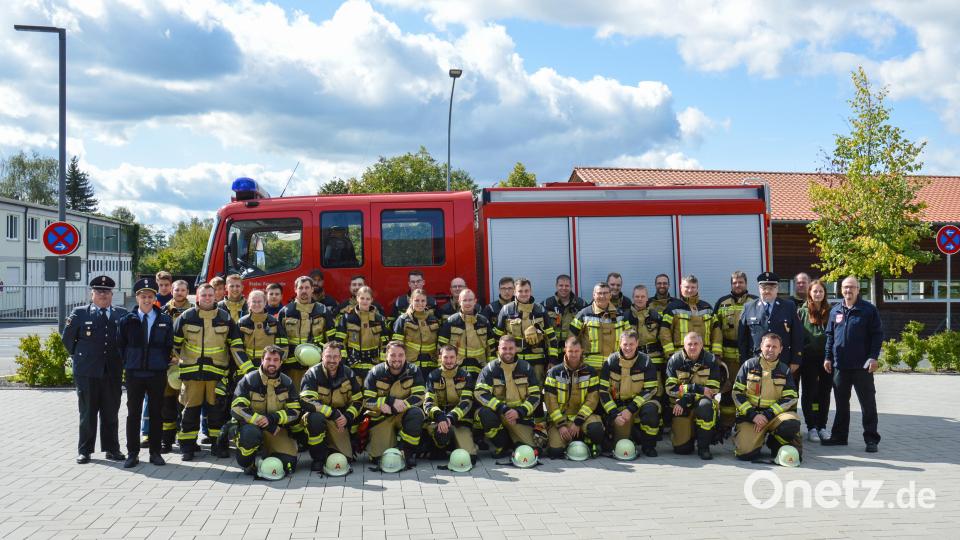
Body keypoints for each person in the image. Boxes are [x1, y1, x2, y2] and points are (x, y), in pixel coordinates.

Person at [172, 283, 248, 460]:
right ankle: (187, 447)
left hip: (217, 375)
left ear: (216, 297)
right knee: (189, 412)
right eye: (203, 295)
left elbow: (236, 347)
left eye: (210, 295)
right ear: (197, 297)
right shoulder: (186, 317)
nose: (207, 298)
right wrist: (181, 365)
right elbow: (174, 345)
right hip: (192, 376)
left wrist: (248, 370)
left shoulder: (225, 318)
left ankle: (218, 445)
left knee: (216, 413)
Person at [63, 275, 128, 464]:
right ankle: (85, 450)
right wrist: (83, 357)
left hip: (112, 371)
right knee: (87, 412)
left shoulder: (121, 314)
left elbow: (127, 341)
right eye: (99, 291)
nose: (103, 294)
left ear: (111, 294)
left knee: (110, 412)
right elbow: (68, 340)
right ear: (92, 293)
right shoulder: (80, 313)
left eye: (106, 291)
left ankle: (112, 449)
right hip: (87, 372)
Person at [822, 276, 883, 453]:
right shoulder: (835, 310)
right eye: (845, 287)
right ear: (841, 290)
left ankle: (871, 439)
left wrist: (873, 357)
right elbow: (830, 337)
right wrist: (827, 357)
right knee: (841, 403)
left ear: (858, 289)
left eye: (852, 287)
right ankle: (840, 436)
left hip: (862, 366)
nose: (848, 290)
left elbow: (877, 335)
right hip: (840, 366)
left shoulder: (868, 310)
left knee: (867, 404)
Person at [119, 278, 174, 467]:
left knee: (157, 413)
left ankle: (155, 452)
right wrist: (129, 363)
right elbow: (121, 346)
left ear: (155, 298)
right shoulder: (127, 320)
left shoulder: (165, 320)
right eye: (143, 296)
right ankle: (132, 453)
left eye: (150, 296)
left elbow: (169, 346)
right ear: (137, 298)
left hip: (156, 373)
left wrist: (161, 362)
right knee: (133, 414)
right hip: (134, 373)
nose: (147, 300)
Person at [231, 345, 302, 477]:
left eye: (275, 360)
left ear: (280, 362)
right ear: (262, 360)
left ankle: (268, 452)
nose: (271, 363)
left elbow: (295, 411)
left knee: (289, 463)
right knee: (250, 436)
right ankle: (248, 462)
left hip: (276, 429)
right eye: (268, 359)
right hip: (251, 427)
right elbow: (237, 408)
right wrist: (262, 421)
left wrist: (273, 418)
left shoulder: (287, 382)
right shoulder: (248, 380)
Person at [732, 333, 802, 461]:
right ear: (761, 347)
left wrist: (768, 414)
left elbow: (790, 397)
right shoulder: (749, 365)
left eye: (775, 347)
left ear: (780, 349)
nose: (771, 349)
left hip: (774, 416)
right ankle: (756, 440)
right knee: (745, 454)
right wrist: (753, 415)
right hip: (751, 417)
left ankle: (775, 442)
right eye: (768, 346)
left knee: (791, 424)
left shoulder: (784, 370)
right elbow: (737, 393)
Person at [475, 335, 543, 458]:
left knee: (534, 450)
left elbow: (536, 395)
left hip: (519, 417)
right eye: (504, 348)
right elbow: (480, 393)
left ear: (516, 349)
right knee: (485, 413)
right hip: (499, 415)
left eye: (510, 348)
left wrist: (520, 411)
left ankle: (514, 442)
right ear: (498, 349)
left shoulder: (526, 368)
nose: (507, 352)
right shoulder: (489, 369)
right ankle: (502, 445)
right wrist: (503, 409)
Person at [362, 341, 426, 469]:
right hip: (382, 417)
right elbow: (366, 400)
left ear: (405, 356)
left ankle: (408, 453)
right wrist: (388, 402)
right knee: (378, 458)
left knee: (416, 414)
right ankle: (383, 444)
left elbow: (419, 396)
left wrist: (403, 404)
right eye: (393, 355)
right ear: (386, 356)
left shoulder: (413, 370)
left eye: (400, 355)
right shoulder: (375, 372)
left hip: (403, 415)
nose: (397, 359)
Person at [300, 342, 363, 471]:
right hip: (320, 415)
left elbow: (358, 401)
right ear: (322, 356)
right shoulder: (312, 374)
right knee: (314, 419)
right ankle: (318, 458)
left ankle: (330, 449)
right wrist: (333, 413)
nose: (332, 360)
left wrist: (347, 417)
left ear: (340, 358)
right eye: (328, 356)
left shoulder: (349, 374)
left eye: (335, 357)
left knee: (347, 458)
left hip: (340, 421)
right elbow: (307, 400)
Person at [599, 331, 660, 457]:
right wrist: (614, 414)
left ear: (637, 343)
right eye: (625, 344)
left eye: (631, 344)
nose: (628, 348)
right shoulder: (610, 362)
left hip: (637, 406)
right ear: (620, 344)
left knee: (651, 410)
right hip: (618, 410)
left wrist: (631, 409)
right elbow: (603, 392)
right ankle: (633, 435)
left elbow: (650, 389)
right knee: (621, 444)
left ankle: (648, 447)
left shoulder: (646, 362)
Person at [544, 337, 605, 458]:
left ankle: (584, 440)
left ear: (582, 350)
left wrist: (577, 422)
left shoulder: (590, 372)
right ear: (565, 350)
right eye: (570, 351)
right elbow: (550, 402)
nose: (573, 354)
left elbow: (592, 400)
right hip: (560, 419)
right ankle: (570, 441)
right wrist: (561, 425)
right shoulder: (554, 372)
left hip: (582, 418)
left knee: (596, 430)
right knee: (555, 452)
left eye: (576, 351)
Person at [665, 332, 722, 460]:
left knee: (706, 406)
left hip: (695, 402)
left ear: (702, 345)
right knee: (682, 450)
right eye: (689, 344)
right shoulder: (675, 360)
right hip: (681, 405)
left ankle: (704, 447)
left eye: (696, 344)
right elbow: (670, 389)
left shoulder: (711, 360)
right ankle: (688, 439)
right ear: (683, 346)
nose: (692, 347)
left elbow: (712, 390)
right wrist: (697, 389)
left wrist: (686, 397)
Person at [713, 271, 758, 434]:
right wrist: (717, 354)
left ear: (746, 283)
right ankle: (726, 425)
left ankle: (748, 424)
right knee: (727, 391)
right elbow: (715, 329)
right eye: (734, 282)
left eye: (740, 282)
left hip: (750, 354)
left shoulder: (755, 302)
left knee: (750, 391)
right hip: (728, 354)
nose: (737, 285)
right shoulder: (722, 302)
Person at [737, 272, 803, 380]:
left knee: (783, 394)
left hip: (783, 361)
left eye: (772, 287)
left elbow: (797, 335)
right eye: (764, 287)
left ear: (777, 288)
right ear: (759, 288)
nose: (767, 291)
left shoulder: (789, 306)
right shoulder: (748, 307)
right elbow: (742, 339)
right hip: (756, 361)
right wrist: (744, 361)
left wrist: (796, 360)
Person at [495, 277, 556, 382]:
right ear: (514, 292)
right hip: (513, 360)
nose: (523, 294)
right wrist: (498, 360)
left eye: (526, 291)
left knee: (536, 389)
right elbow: (497, 337)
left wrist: (552, 360)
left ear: (531, 291)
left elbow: (551, 338)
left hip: (537, 362)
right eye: (520, 291)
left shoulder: (540, 310)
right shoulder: (506, 310)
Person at [624, 284, 668, 428]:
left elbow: (664, 336)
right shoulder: (625, 316)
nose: (640, 299)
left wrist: (667, 357)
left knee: (657, 391)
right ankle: (637, 424)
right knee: (636, 389)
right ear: (633, 297)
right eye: (637, 296)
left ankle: (657, 424)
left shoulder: (655, 315)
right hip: (633, 359)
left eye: (642, 296)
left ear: (647, 298)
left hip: (654, 357)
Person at [423, 345, 477, 461]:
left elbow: (466, 402)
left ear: (457, 358)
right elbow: (428, 403)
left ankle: (455, 445)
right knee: (440, 438)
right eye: (445, 357)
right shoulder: (433, 376)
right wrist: (440, 417)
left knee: (470, 458)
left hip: (459, 420)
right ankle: (440, 446)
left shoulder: (465, 376)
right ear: (440, 358)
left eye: (452, 357)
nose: (449, 361)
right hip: (438, 420)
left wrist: (451, 417)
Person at [279, 276, 333, 390]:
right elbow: (279, 340)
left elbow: (331, 339)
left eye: (307, 287)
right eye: (301, 288)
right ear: (295, 289)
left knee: (315, 396)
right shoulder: (285, 312)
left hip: (317, 364)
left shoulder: (322, 311)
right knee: (295, 395)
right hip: (292, 366)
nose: (304, 291)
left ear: (312, 289)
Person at [160, 279, 192, 452]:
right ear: (171, 291)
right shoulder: (162, 310)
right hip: (167, 365)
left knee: (184, 404)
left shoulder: (194, 312)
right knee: (167, 404)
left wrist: (180, 358)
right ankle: (166, 440)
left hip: (186, 363)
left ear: (188, 291)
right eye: (176, 289)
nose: (179, 292)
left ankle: (183, 437)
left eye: (182, 290)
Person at [798, 279, 832, 442]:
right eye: (815, 291)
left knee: (824, 393)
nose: (818, 294)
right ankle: (811, 427)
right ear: (810, 293)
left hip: (827, 360)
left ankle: (822, 426)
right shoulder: (802, 312)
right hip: (808, 359)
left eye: (821, 291)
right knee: (810, 393)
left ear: (825, 293)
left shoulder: (831, 311)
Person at [659, 275, 723, 361]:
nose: (690, 290)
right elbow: (664, 332)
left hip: (705, 357)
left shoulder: (707, 308)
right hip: (681, 357)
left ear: (697, 288)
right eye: (687, 287)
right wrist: (670, 354)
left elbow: (716, 332)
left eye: (693, 287)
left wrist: (716, 354)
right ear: (681, 287)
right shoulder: (672, 308)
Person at [568, 282, 629, 370]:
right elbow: (571, 339)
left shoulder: (621, 315)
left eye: (605, 293)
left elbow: (629, 339)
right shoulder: (584, 314)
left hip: (615, 367)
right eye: (599, 293)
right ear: (594, 295)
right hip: (589, 369)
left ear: (610, 295)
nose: (602, 296)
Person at [334, 285, 389, 379]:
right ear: (357, 298)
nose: (364, 301)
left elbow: (385, 344)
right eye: (362, 298)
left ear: (372, 300)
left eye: (367, 299)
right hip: (353, 364)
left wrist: (383, 364)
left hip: (374, 364)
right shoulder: (348, 318)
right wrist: (343, 362)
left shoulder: (379, 319)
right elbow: (340, 341)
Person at [438, 288, 494, 378]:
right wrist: (441, 370)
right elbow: (441, 347)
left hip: (480, 370)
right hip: (456, 370)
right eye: (464, 300)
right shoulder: (451, 322)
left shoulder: (483, 322)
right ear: (459, 301)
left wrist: (491, 369)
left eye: (470, 300)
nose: (467, 303)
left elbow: (491, 349)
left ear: (475, 301)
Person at [392, 289, 441, 372]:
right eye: (417, 300)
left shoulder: (434, 320)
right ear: (411, 301)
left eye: (423, 301)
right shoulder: (403, 320)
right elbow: (397, 345)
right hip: (410, 365)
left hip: (431, 365)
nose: (420, 303)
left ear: (426, 302)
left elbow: (439, 344)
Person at [237, 290, 287, 370]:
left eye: (260, 301)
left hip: (270, 369)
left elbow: (283, 346)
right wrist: (248, 369)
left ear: (265, 303)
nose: (256, 304)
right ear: (249, 303)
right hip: (248, 369)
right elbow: (237, 348)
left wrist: (274, 365)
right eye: (254, 301)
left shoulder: (274, 322)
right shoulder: (242, 322)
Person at [541, 274, 587, 344]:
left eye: (567, 286)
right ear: (556, 286)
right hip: (553, 349)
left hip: (573, 349)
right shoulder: (546, 304)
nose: (564, 288)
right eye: (561, 285)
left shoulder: (581, 304)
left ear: (571, 287)